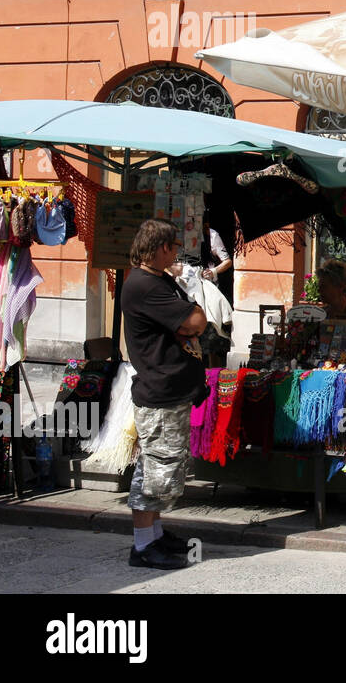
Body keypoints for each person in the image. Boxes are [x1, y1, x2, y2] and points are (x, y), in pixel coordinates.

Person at [121, 218, 208, 570]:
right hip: (159, 391)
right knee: (154, 469)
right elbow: (195, 322)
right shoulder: (145, 286)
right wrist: (193, 306)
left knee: (164, 467)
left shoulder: (158, 280)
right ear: (161, 248)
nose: (176, 253)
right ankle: (143, 546)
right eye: (173, 246)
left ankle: (154, 534)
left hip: (168, 389)